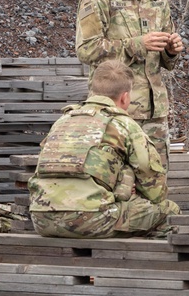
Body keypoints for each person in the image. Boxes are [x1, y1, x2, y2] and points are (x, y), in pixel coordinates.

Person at [28, 60, 180, 238]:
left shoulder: (62, 121)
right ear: (125, 97)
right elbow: (154, 188)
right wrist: (125, 185)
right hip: (92, 220)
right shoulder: (124, 124)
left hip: (41, 219)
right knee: (169, 212)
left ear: (93, 90)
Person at [76, 0, 185, 169]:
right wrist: (135, 45)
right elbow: (86, 49)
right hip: (115, 112)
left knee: (156, 183)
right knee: (116, 182)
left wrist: (171, 50)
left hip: (155, 116)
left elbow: (165, 60)